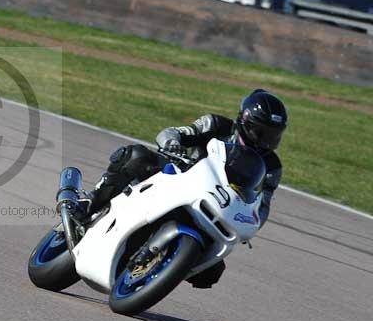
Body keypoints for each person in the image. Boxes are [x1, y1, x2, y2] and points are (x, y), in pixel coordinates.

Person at [76, 89, 288, 288]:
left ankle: (163, 268)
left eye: (273, 135)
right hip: (179, 178)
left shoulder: (272, 165)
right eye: (260, 132)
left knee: (211, 273)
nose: (266, 141)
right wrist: (172, 144)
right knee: (135, 157)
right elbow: (172, 133)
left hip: (217, 206)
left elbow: (263, 203)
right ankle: (91, 201)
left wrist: (252, 224)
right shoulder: (216, 125)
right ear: (244, 121)